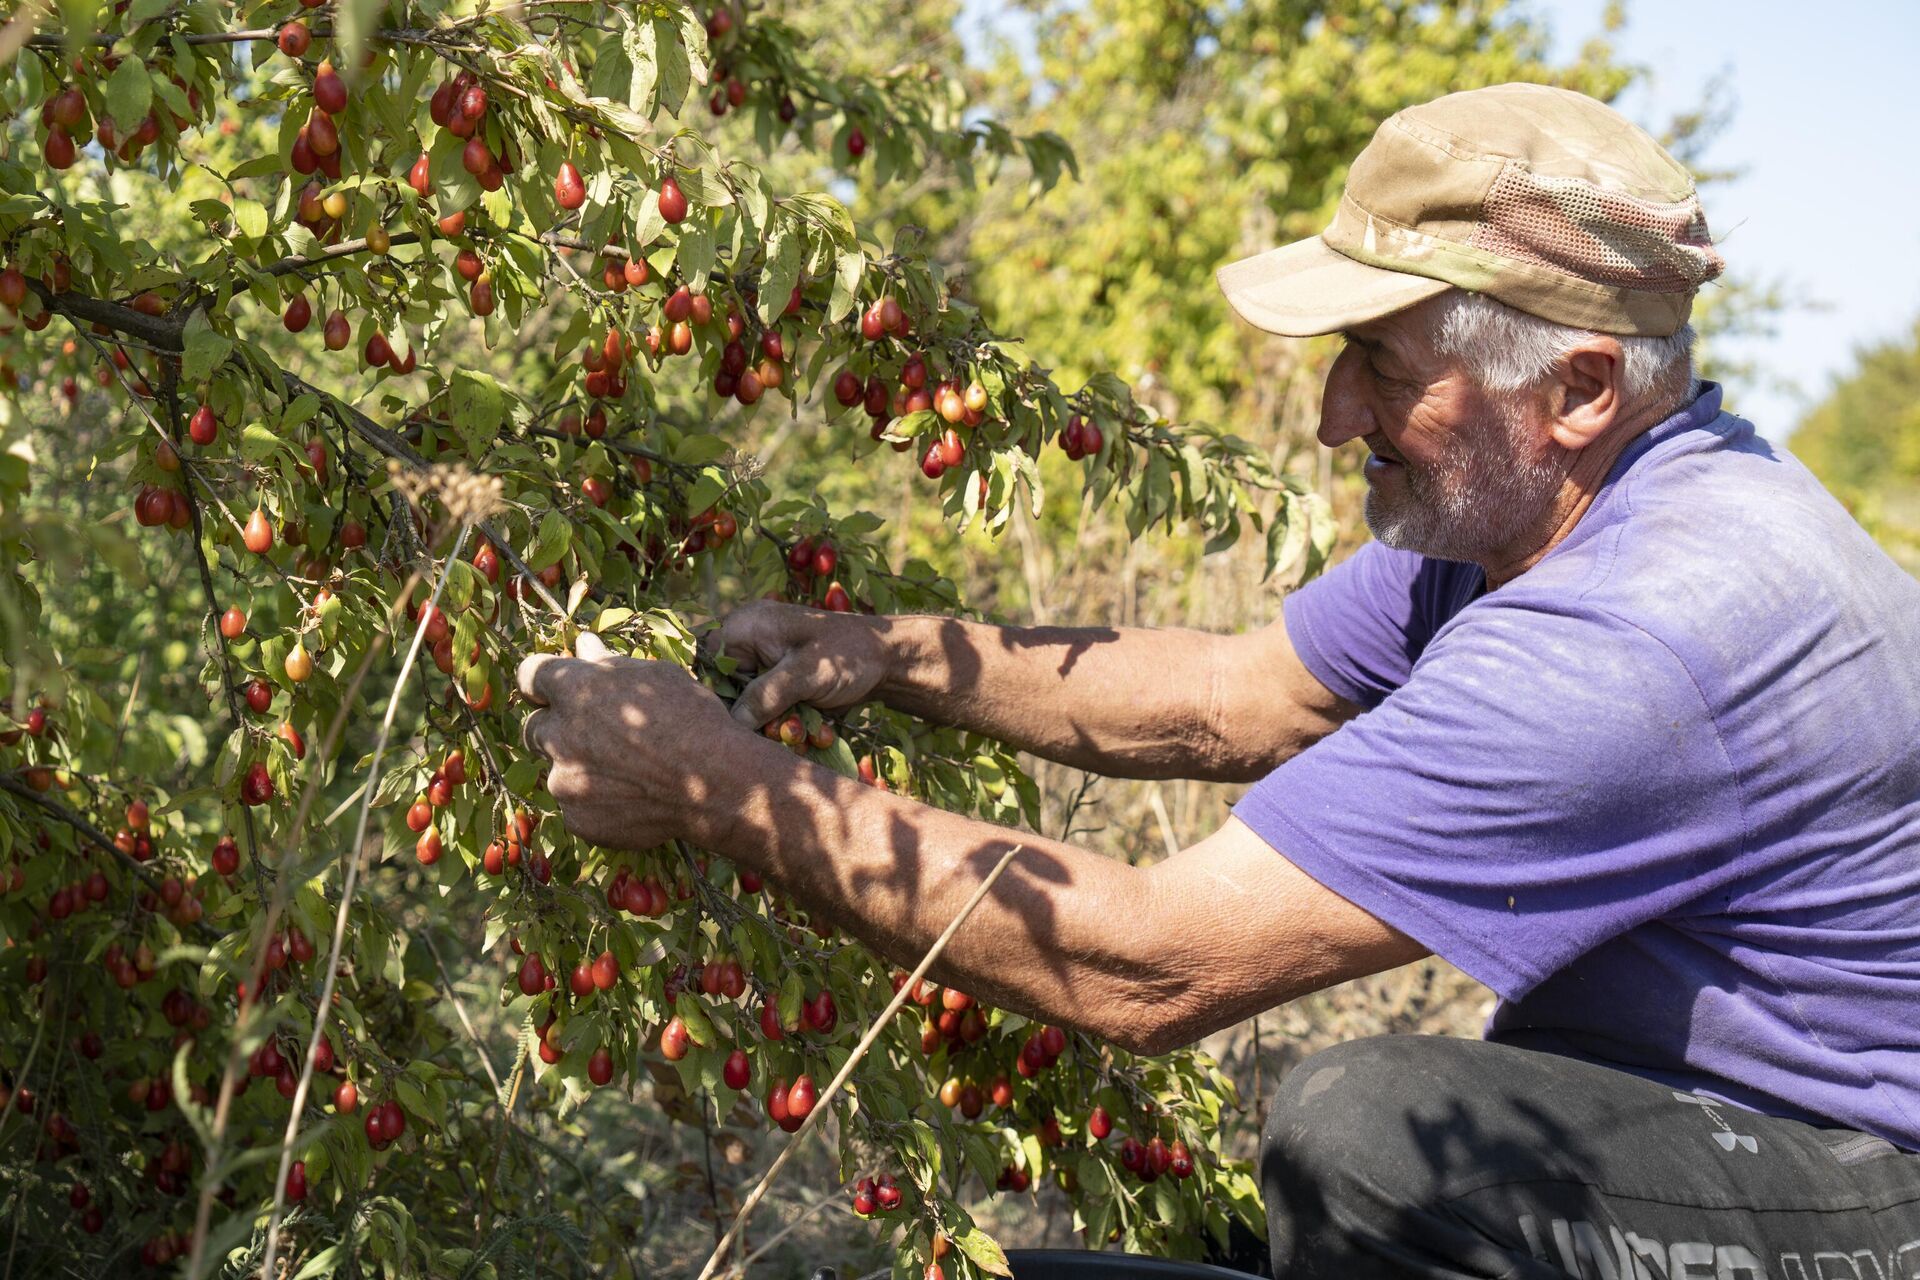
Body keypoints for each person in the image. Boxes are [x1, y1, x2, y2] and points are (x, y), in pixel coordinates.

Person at [517, 83, 1920, 1278]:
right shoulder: (1529, 516)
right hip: (1652, 1141)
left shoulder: (1634, 635)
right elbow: (1231, 696)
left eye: (1381, 367)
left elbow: (1149, 962)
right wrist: (896, 653)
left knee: (1371, 1138)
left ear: (1581, 390)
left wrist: (716, 786)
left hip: (1864, 1187)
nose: (1331, 417)